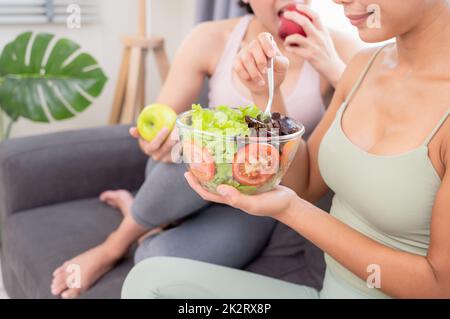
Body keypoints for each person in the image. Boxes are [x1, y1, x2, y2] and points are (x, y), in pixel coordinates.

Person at [122, 0, 450, 299]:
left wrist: (290, 211)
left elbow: (438, 286)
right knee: (149, 280)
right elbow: (305, 185)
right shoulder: (363, 66)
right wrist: (269, 95)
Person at [50, 0, 361, 299]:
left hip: (256, 200)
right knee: (202, 150)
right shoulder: (210, 38)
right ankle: (112, 246)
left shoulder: (338, 47)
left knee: (151, 260)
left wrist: (332, 66)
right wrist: (157, 138)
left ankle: (141, 215)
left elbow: (371, 113)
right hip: (184, 179)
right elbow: (165, 117)